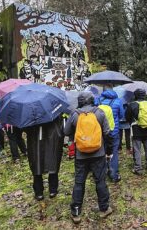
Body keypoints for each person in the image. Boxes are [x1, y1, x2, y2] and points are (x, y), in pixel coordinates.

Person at [64, 92, 113, 223]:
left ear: (80, 101)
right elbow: (108, 133)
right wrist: (109, 150)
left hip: (81, 155)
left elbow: (66, 132)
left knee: (79, 182)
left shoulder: (74, 114)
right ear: (92, 100)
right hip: (98, 153)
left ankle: (76, 212)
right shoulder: (100, 113)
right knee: (100, 181)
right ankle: (104, 209)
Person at [24, 116, 64, 201]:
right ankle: (52, 190)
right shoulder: (53, 112)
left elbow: (24, 128)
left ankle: (39, 193)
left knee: (37, 166)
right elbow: (61, 128)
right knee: (51, 163)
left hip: (35, 142)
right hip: (51, 142)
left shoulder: (30, 114)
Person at [97, 87, 124, 183]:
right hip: (113, 130)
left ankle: (101, 174)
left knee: (101, 152)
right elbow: (121, 115)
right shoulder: (118, 101)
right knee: (114, 152)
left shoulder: (98, 100)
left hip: (100, 131)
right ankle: (113, 175)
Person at [126, 89, 147, 175]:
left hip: (136, 130)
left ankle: (138, 168)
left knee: (137, 149)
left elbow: (127, 116)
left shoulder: (132, 105)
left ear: (135, 95)